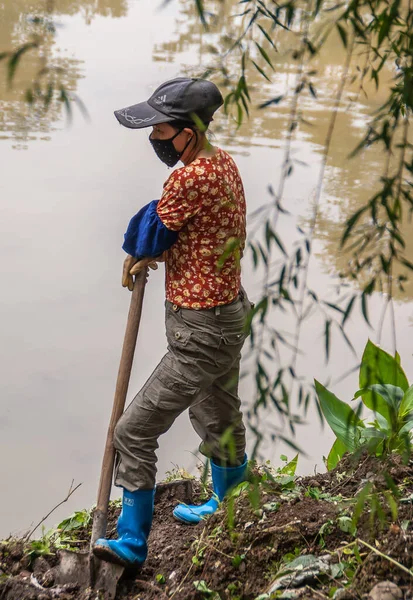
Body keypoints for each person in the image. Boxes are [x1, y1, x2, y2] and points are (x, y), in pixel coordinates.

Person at [93, 77, 251, 568]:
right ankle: (232, 506)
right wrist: (151, 249)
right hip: (228, 314)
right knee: (218, 415)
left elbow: (155, 229)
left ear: (190, 132)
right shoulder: (221, 163)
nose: (155, 139)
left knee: (133, 431)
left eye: (162, 130)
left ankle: (133, 542)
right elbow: (177, 228)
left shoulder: (188, 177)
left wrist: (138, 253)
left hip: (199, 331)